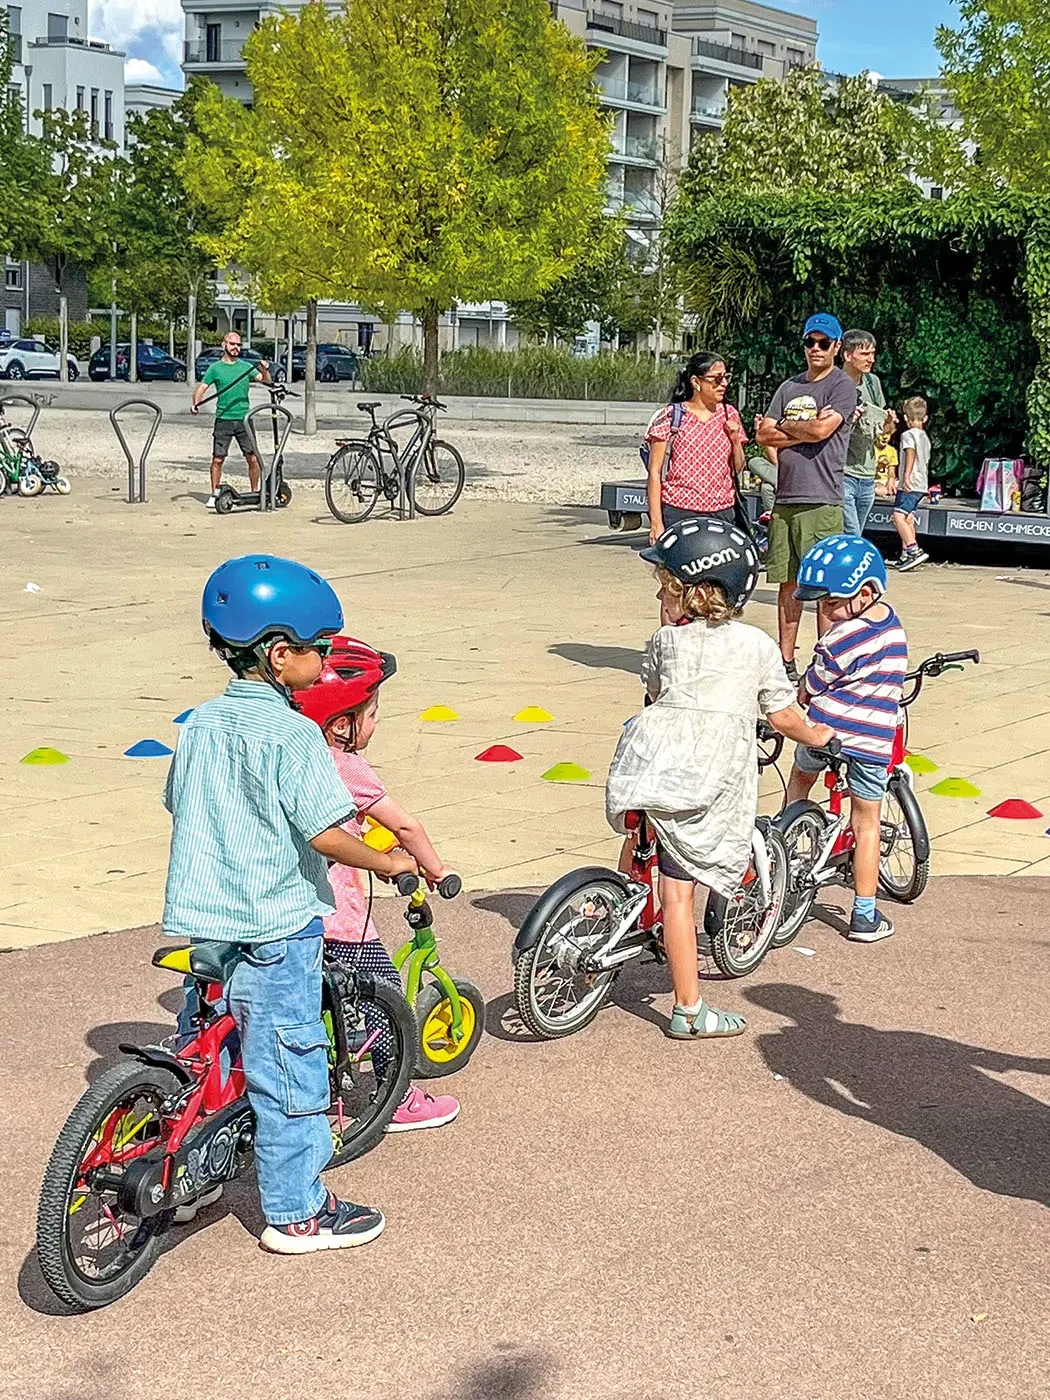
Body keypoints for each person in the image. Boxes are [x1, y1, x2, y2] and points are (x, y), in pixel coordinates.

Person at [163, 553, 417, 1254]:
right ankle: (297, 1210)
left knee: (208, 1044)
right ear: (280, 656)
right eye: (319, 648)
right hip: (274, 923)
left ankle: (191, 1172)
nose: (325, 658)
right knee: (289, 1062)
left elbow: (176, 802)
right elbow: (327, 833)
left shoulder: (202, 725)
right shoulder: (296, 733)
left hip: (203, 919)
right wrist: (389, 859)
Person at [606, 518, 834, 1040]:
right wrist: (818, 736)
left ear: (696, 593)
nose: (663, 600)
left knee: (645, 831)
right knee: (680, 893)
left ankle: (617, 904)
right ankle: (689, 1008)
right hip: (705, 772)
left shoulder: (665, 640)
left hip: (649, 756)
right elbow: (781, 716)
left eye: (667, 590)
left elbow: (654, 695)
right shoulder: (755, 646)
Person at [294, 635, 461, 1133]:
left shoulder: (297, 760)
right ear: (341, 722)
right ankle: (399, 1095)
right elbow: (406, 826)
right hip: (342, 919)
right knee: (382, 997)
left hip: (291, 915)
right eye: (372, 713)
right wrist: (437, 869)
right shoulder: (347, 767)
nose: (377, 721)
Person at [785, 535, 909, 943]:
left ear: (866, 592)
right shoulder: (893, 629)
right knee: (867, 822)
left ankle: (789, 835)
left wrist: (803, 688)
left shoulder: (838, 639)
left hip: (826, 732)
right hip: (872, 741)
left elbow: (817, 680)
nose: (825, 611)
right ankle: (864, 914)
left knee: (801, 776)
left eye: (830, 603)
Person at [755, 313, 860, 683]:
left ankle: (826, 660)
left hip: (822, 498)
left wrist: (786, 428)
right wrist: (798, 430)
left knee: (824, 586)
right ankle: (786, 661)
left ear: (836, 347)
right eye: (809, 342)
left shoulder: (842, 386)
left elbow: (822, 430)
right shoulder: (787, 387)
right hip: (785, 498)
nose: (815, 349)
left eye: (822, 342)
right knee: (788, 584)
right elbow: (764, 436)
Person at [645, 351, 747, 544]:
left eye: (726, 377)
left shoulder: (729, 414)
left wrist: (735, 440)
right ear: (696, 382)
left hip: (722, 511)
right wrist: (656, 523)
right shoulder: (672, 416)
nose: (724, 383)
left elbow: (739, 467)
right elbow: (655, 472)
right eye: (717, 378)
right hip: (680, 511)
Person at [190, 332, 270, 511]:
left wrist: (265, 369)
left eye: (239, 345)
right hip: (223, 419)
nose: (236, 348)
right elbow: (201, 388)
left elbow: (265, 381)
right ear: (223, 344)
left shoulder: (246, 366)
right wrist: (195, 404)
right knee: (218, 459)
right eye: (232, 344)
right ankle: (214, 494)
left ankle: (254, 492)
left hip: (244, 420)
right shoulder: (215, 368)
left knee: (252, 459)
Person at [841, 329, 897, 536]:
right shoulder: (833, 384)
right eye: (865, 354)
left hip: (867, 476)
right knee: (853, 535)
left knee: (855, 535)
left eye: (873, 354)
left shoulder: (873, 383)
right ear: (847, 355)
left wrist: (890, 423)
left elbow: (884, 432)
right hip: (842, 474)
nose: (871, 359)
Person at [892, 396, 931, 571]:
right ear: (925, 418)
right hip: (921, 483)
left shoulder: (908, 435)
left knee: (898, 516)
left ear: (905, 418)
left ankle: (913, 549)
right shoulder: (925, 436)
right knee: (908, 518)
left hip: (910, 483)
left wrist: (906, 476)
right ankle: (905, 555)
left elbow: (910, 453)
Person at [875, 433, 898, 499]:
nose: (885, 437)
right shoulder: (871, 449)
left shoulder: (892, 450)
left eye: (887, 434)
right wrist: (879, 466)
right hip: (874, 480)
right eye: (882, 434)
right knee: (881, 490)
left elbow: (892, 472)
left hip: (885, 480)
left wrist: (890, 481)